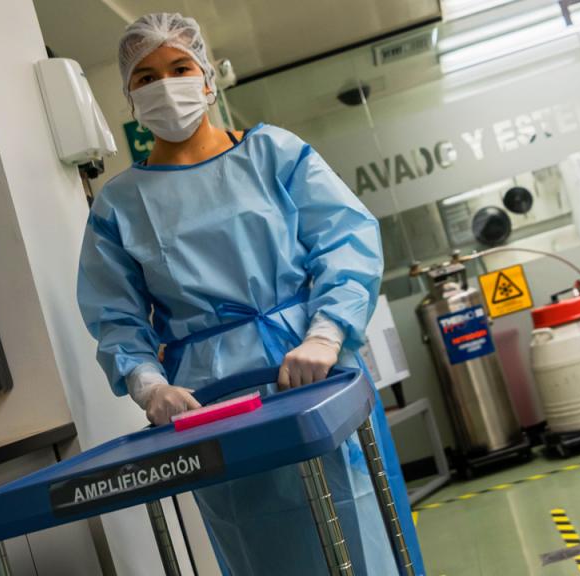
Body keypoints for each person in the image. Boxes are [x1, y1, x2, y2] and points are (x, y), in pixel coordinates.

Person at [76, 12, 425, 576]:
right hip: (210, 404)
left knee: (363, 533)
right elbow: (113, 315)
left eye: (180, 67)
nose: (165, 85)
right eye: (146, 77)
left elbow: (346, 240)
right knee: (264, 548)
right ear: (130, 98)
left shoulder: (274, 154)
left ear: (207, 79)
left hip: (313, 371)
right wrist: (150, 386)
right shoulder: (119, 206)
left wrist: (327, 332)